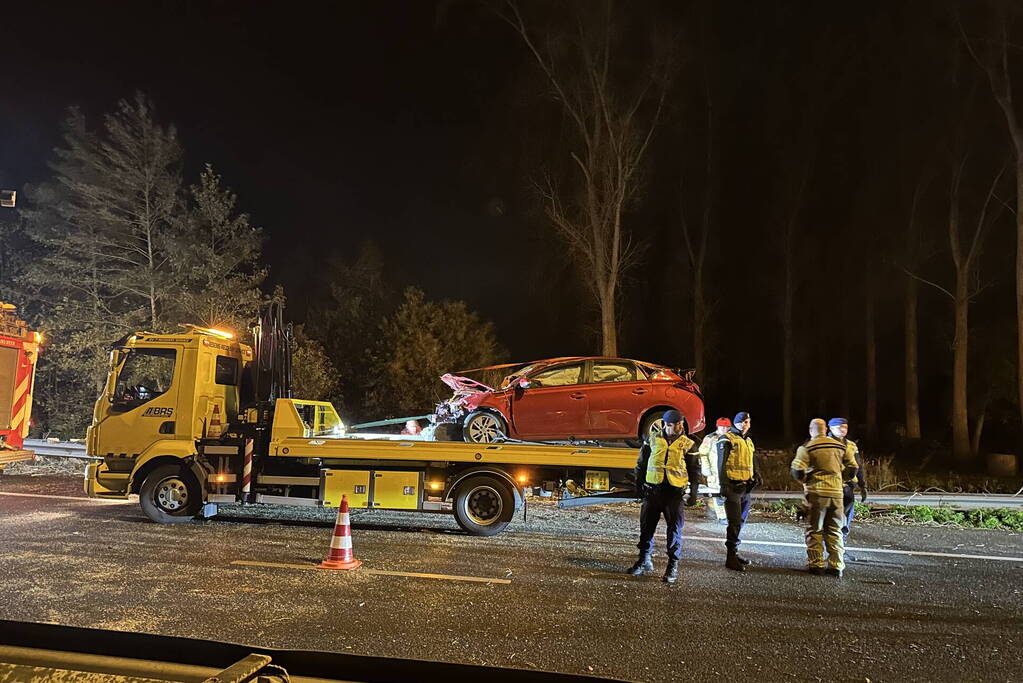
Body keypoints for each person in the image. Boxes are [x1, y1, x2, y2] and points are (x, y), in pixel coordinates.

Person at [627, 409, 700, 584]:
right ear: (668, 425)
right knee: (646, 528)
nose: (681, 426)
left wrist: (694, 493)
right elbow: (641, 464)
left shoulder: (689, 444)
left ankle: (672, 565)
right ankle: (644, 559)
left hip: (673, 494)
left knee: (674, 530)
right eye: (678, 424)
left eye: (681, 423)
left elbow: (694, 470)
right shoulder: (652, 440)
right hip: (652, 491)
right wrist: (638, 486)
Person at [790, 418, 859, 577]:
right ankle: (836, 566)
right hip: (837, 493)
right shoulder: (841, 446)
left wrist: (806, 480)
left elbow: (796, 471)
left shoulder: (807, 447)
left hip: (817, 494)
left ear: (810, 430)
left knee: (814, 530)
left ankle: (816, 564)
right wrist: (842, 479)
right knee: (835, 529)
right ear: (826, 429)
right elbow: (853, 468)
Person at [716, 411, 760, 571]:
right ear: (735, 423)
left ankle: (734, 553)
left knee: (740, 522)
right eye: (742, 422)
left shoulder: (747, 440)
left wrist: (757, 474)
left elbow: (752, 460)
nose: (745, 425)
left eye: (747, 422)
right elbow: (721, 463)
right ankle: (730, 558)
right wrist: (723, 485)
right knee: (734, 523)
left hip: (745, 488)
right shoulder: (727, 438)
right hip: (732, 487)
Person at [828, 417, 867, 546]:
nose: (843, 430)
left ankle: (840, 543)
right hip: (830, 486)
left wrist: (862, 485)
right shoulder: (824, 444)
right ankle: (829, 544)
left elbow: (858, 465)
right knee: (831, 517)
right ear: (831, 428)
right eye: (840, 427)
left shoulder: (851, 445)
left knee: (846, 517)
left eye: (845, 427)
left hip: (848, 486)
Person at [698, 417, 731, 524]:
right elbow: (703, 454)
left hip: (727, 472)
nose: (724, 429)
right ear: (718, 427)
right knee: (717, 494)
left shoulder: (730, 437)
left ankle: (724, 513)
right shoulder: (710, 438)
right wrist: (706, 469)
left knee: (727, 495)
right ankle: (722, 517)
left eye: (726, 427)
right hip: (714, 472)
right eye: (722, 427)